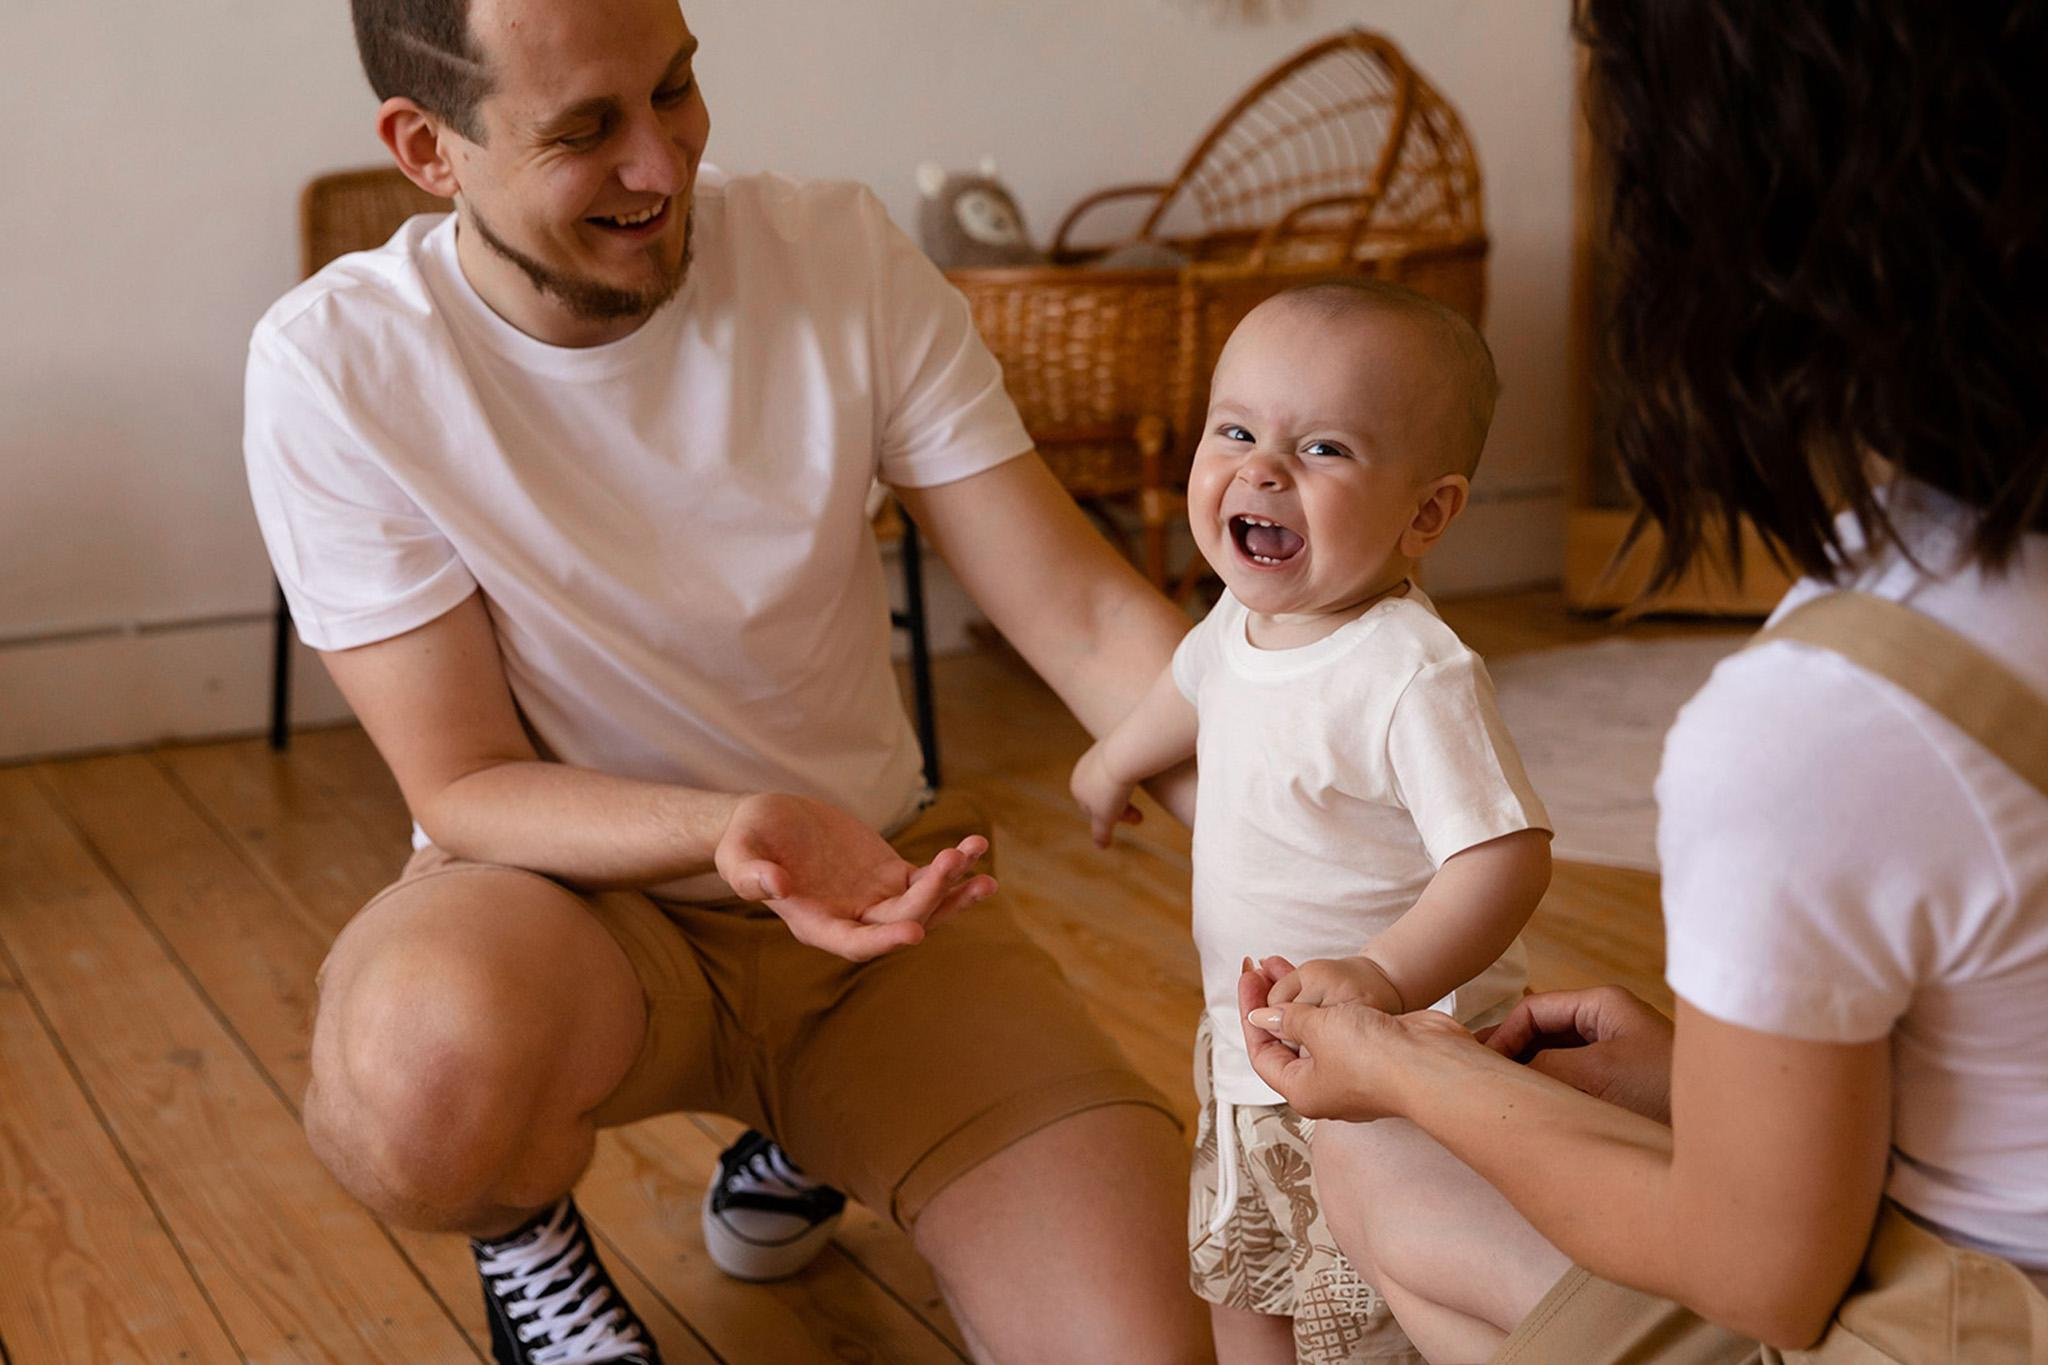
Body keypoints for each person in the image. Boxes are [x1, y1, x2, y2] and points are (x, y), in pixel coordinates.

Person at [243, 0, 1214, 1360]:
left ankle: (809, 1126)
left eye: (677, 90)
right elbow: (460, 780)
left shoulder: (839, 255)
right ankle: (524, 1239)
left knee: (1151, 1353)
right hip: (562, 911)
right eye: (586, 131)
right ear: (427, 147)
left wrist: (1319, 834)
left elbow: (1086, 618)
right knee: (415, 1083)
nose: (663, 163)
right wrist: (727, 827)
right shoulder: (337, 362)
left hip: (877, 911)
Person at [1237, 2, 2048, 1361]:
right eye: (1238, 431)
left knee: (1382, 1166)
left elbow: (1760, 1272)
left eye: (1319, 444)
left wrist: (1407, 1062)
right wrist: (1705, 1080)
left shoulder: (1825, 719)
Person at [1070, 282, 1554, 1364]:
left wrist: (1382, 976)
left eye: (1322, 448)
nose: (1259, 468)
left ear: (1424, 514)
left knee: (1367, 1318)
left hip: (1392, 1081)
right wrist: (1110, 761)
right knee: (1242, 1282)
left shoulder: (1408, 672)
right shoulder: (1239, 619)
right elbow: (1183, 690)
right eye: (1233, 430)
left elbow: (1504, 858)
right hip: (1248, 1060)